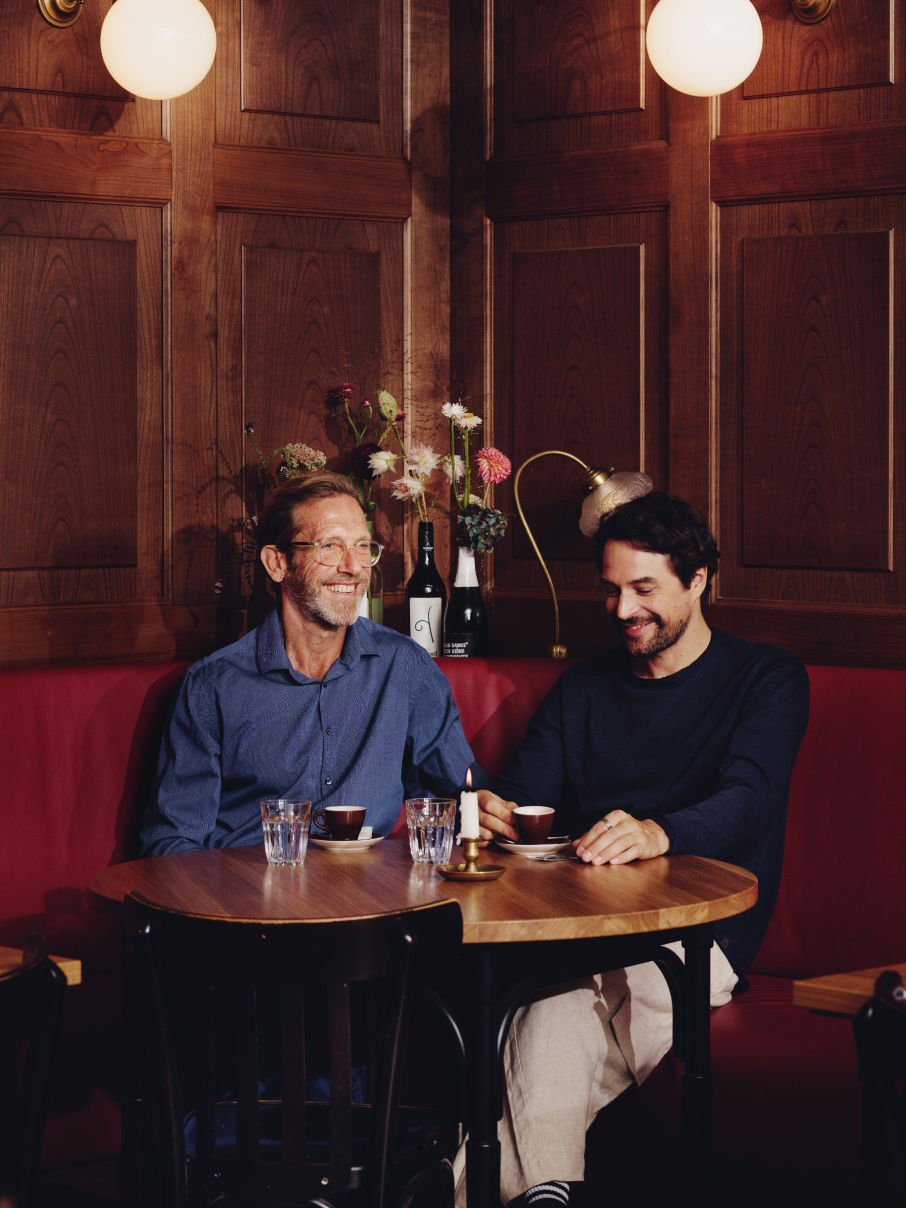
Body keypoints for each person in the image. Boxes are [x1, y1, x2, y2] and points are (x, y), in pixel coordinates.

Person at [467, 491, 810, 1208]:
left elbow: (750, 798)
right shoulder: (583, 689)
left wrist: (661, 832)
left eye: (644, 589)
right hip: (586, 931)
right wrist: (492, 813)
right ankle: (535, 1195)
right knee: (560, 997)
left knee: (551, 1004)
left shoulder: (766, 679)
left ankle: (451, 1186)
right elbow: (526, 793)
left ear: (698, 580)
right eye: (612, 590)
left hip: (701, 938)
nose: (623, 610)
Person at [140, 472, 487, 857]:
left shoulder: (405, 666)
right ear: (277, 563)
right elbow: (172, 846)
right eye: (330, 547)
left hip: (370, 903)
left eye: (362, 546)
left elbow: (463, 797)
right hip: (251, 903)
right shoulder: (213, 686)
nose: (355, 567)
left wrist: (490, 812)